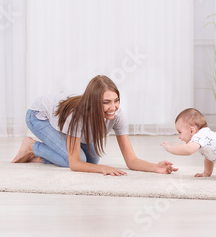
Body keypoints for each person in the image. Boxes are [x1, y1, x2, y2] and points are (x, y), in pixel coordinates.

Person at [11, 75, 178, 176]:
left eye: (116, 100)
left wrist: (155, 167)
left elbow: (131, 160)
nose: (113, 107)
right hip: (39, 116)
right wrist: (103, 169)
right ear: (93, 102)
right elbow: (76, 164)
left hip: (62, 120)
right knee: (79, 160)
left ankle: (43, 151)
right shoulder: (77, 116)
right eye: (106, 102)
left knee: (92, 160)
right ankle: (32, 147)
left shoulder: (117, 116)